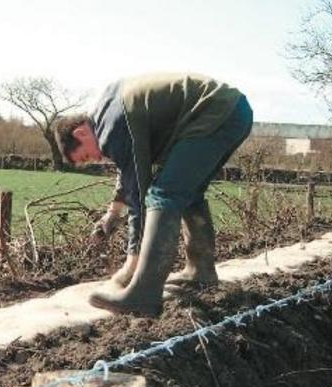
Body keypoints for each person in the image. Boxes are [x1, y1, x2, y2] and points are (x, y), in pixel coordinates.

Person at [54, 73, 253, 317]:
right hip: (232, 111)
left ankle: (144, 293)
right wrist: (112, 213)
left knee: (162, 195)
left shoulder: (112, 128)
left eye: (86, 156)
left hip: (214, 113)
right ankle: (201, 272)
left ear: (81, 134)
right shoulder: (109, 114)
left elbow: (138, 191)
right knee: (188, 192)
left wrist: (131, 263)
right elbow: (128, 169)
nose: (95, 160)